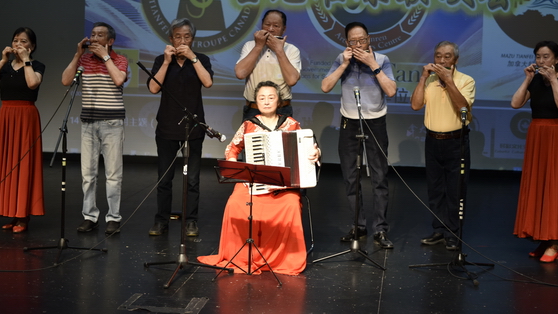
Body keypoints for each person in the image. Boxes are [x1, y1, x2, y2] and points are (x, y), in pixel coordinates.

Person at [197, 81, 320, 275]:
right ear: (256, 102)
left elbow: (308, 148)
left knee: (291, 204)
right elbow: (232, 149)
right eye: (262, 98)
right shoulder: (249, 125)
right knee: (235, 203)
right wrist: (238, 169)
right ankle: (243, 256)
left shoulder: (291, 124)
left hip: (283, 185)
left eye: (271, 97)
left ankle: (282, 258)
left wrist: (315, 152)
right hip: (254, 181)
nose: (267, 101)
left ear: (279, 101)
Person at [321, 22, 396, 249]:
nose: (358, 45)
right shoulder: (341, 59)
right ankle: (358, 225)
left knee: (379, 176)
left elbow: (391, 90)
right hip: (349, 122)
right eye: (353, 41)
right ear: (347, 43)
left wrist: (373, 64)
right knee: (351, 176)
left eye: (362, 40)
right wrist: (344, 64)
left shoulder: (382, 59)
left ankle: (380, 228)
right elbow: (325, 86)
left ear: (369, 39)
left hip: (375, 122)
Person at [511, 40, 558, 262]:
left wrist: (553, 80)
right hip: (539, 135)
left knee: (556, 186)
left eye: (546, 57)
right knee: (539, 185)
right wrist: (527, 79)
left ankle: (555, 242)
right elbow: (515, 103)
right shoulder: (534, 80)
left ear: (557, 59)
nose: (541, 61)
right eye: (538, 57)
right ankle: (543, 237)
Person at [147, 18, 213, 237]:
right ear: (170, 39)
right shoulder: (161, 60)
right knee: (164, 179)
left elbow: (208, 82)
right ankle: (161, 220)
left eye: (187, 37)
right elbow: (153, 88)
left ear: (192, 39)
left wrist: (193, 58)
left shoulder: (201, 59)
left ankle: (191, 221)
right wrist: (167, 62)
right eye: (178, 37)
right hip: (167, 127)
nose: (182, 41)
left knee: (192, 180)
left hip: (193, 127)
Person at [61, 22, 127, 236]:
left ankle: (113, 218)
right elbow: (65, 81)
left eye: (100, 35)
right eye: (92, 34)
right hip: (89, 123)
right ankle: (90, 216)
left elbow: (119, 79)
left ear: (110, 41)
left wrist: (106, 57)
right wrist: (77, 55)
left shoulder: (120, 59)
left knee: (113, 175)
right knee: (88, 174)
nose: (94, 39)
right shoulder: (84, 60)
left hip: (112, 123)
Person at [411, 41, 475, 251]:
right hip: (432, 140)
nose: (442, 60)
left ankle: (453, 233)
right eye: (438, 56)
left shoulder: (466, 80)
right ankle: (439, 230)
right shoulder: (430, 81)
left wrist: (449, 81)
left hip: (456, 141)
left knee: (455, 190)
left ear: (456, 60)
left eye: (447, 56)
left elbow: (462, 106)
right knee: (435, 189)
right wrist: (422, 78)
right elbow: (415, 105)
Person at [0, 27, 45, 233]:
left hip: (26, 117)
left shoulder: (37, 65)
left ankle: (23, 216)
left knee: (24, 163)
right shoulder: (5, 67)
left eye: (23, 41)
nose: (18, 44)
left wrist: (26, 60)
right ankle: (12, 211)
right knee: (7, 163)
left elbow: (32, 84)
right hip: (6, 116)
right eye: (15, 41)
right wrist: (3, 60)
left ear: (32, 46)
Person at [235, 10, 301, 122]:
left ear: (283, 29)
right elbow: (240, 74)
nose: (270, 29)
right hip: (253, 109)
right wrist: (258, 46)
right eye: (267, 24)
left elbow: (292, 80)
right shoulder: (250, 46)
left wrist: (279, 51)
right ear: (261, 25)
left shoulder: (291, 50)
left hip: (281, 110)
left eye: (276, 26)